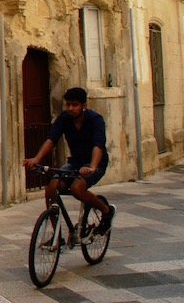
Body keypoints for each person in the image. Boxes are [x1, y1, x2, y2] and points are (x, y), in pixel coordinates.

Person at [23, 87, 115, 234]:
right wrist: (36, 158)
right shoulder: (64, 118)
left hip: (95, 163)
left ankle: (106, 211)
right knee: (51, 188)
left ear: (84, 106)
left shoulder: (95, 120)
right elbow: (51, 140)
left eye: (75, 105)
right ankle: (57, 236)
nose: (70, 108)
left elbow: (98, 145)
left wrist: (92, 167)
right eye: (68, 104)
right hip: (75, 162)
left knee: (76, 189)